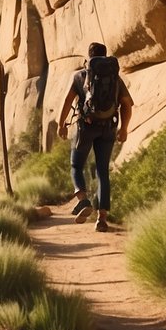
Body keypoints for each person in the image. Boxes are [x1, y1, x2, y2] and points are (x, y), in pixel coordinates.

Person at [57, 42, 133, 232]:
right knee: (102, 172)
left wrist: (61, 124)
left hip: (86, 127)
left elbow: (68, 100)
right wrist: (124, 129)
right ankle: (102, 218)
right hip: (109, 128)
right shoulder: (115, 78)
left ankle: (83, 201)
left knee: (76, 165)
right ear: (105, 56)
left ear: (88, 58)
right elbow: (126, 104)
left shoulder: (80, 76)